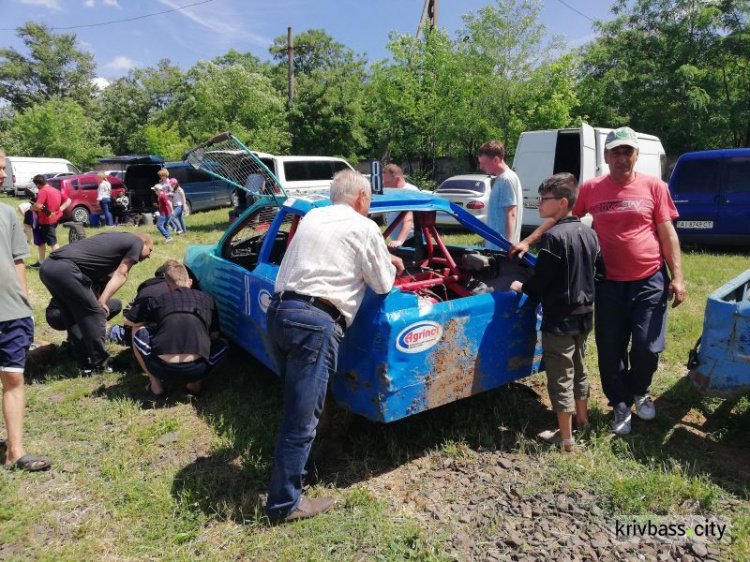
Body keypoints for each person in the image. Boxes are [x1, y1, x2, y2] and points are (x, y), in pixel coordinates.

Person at [510, 127, 686, 436]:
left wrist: (679, 277)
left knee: (647, 345)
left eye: (627, 152)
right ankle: (619, 401)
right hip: (607, 284)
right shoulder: (593, 188)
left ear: (636, 155)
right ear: (606, 157)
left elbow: (667, 233)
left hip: (649, 280)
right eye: (615, 152)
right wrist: (530, 239)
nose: (621, 158)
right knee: (609, 347)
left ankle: (639, 390)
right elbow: (560, 217)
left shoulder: (655, 187)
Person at [265, 169, 404, 523]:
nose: (370, 205)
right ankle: (284, 504)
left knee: (300, 403)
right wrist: (388, 260)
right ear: (361, 198)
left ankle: (302, 468)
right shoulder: (364, 226)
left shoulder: (313, 216)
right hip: (314, 323)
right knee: (301, 418)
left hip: (279, 313)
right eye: (370, 199)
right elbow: (384, 283)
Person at [509, 173, 602, 451]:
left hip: (559, 318)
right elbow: (601, 271)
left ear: (562, 203)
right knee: (580, 368)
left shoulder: (553, 238)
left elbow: (540, 282)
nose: (538, 204)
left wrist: (520, 286)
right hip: (584, 314)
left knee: (560, 374)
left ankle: (566, 437)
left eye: (543, 199)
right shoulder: (590, 233)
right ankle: (582, 420)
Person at [39, 231, 154, 374]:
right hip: (66, 270)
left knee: (72, 316)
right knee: (96, 313)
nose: (149, 255)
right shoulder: (136, 241)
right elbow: (122, 273)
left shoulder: (113, 236)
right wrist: (102, 300)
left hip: (47, 267)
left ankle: (83, 364)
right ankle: (102, 364)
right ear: (143, 243)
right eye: (150, 250)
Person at [0, 151, 51, 471]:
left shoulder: (7, 215)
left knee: (14, 379)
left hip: (11, 313)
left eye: (3, 168)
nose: (2, 173)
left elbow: (20, 260)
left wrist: (25, 303)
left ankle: (15, 451)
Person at [125, 263, 228, 397]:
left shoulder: (157, 300)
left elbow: (127, 321)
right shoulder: (208, 299)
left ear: (168, 287)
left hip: (161, 368)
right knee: (224, 343)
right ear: (190, 282)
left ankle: (156, 386)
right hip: (197, 369)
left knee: (136, 329)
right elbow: (214, 335)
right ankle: (194, 385)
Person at [477, 140, 523, 247]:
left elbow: (511, 214)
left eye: (483, 163)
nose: (481, 167)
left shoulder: (506, 179)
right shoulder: (502, 178)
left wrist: (507, 246)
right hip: (495, 246)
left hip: (500, 249)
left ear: (496, 160)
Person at [28, 174, 71, 268]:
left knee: (53, 243)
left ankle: (64, 263)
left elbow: (38, 206)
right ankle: (41, 262)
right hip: (52, 220)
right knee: (41, 242)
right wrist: (60, 209)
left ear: (37, 184)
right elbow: (68, 200)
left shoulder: (43, 191)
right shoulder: (55, 190)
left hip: (47, 222)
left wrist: (31, 207)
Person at [382, 164, 420, 248]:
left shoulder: (409, 191)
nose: (384, 186)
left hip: (411, 240)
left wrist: (399, 241)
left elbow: (408, 219)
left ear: (397, 179)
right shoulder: (393, 192)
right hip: (399, 241)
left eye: (387, 182)